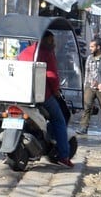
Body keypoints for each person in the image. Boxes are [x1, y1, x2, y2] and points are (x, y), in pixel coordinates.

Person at [18, 30, 73, 167]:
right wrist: (55, 92)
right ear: (45, 40)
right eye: (51, 40)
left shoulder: (25, 52)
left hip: (20, 94)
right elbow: (52, 76)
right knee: (59, 119)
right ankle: (63, 156)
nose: (54, 43)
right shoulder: (47, 53)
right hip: (42, 95)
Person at [76, 36, 101, 135]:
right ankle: (84, 127)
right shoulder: (89, 58)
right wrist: (85, 87)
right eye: (90, 47)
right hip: (89, 86)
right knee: (87, 107)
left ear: (98, 47)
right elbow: (87, 73)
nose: (90, 49)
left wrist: (100, 82)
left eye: (92, 47)